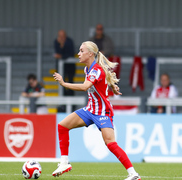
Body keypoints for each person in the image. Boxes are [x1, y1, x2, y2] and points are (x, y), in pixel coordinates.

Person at [52, 41, 141, 180]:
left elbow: (85, 87)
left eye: (81, 51)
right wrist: (112, 86)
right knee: (62, 126)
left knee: (110, 143)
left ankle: (133, 174)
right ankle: (64, 162)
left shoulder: (96, 70)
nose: (78, 54)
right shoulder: (88, 69)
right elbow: (103, 79)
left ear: (90, 54)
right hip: (90, 110)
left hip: (102, 112)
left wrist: (63, 83)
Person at [54, 29, 76, 96]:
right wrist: (61, 45)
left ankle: (71, 99)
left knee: (70, 82)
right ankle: (63, 100)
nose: (61, 38)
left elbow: (71, 53)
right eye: (60, 36)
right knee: (61, 82)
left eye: (62, 36)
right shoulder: (56, 42)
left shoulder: (69, 42)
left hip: (70, 67)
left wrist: (62, 55)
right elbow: (57, 53)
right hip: (61, 67)